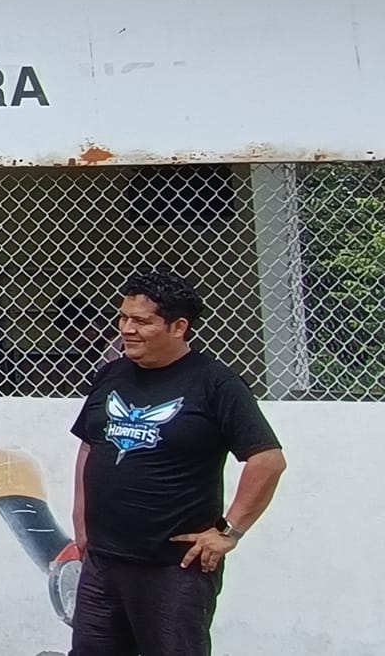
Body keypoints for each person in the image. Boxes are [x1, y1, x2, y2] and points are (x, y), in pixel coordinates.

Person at [70, 270, 288, 656]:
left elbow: (267, 460)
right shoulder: (111, 375)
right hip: (103, 562)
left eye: (142, 321)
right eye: (123, 318)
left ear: (178, 327)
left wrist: (228, 532)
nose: (127, 330)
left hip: (172, 569)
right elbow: (90, 444)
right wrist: (81, 519)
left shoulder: (215, 383)